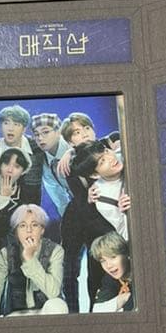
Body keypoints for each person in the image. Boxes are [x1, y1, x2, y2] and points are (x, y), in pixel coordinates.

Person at [57, 112, 120, 312]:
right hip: (80, 219)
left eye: (86, 128)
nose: (84, 134)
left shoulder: (105, 146)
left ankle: (101, 306)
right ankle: (77, 311)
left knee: (102, 267)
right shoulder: (71, 164)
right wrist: (70, 153)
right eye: (76, 133)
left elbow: (117, 136)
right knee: (76, 268)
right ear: (69, 141)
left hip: (102, 219)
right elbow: (83, 203)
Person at [0, 204, 68, 317]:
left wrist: (30, 259)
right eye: (22, 226)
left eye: (34, 225)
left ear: (42, 230)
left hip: (46, 313)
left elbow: (54, 293)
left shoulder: (55, 250)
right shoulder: (5, 253)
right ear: (16, 231)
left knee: (58, 305)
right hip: (16, 315)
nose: (29, 230)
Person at [70, 140, 131, 241]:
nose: (111, 158)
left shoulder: (124, 154)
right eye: (102, 161)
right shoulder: (103, 200)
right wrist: (124, 213)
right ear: (95, 175)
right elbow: (126, 236)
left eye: (106, 151)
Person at [0, 104, 42, 203]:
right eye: (6, 123)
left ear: (24, 129)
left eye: (16, 124)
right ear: (1, 127)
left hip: (32, 205)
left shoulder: (37, 147)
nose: (10, 128)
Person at [0, 147, 32, 260]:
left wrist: (4, 198)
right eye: (6, 164)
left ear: (23, 171)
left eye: (17, 167)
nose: (9, 170)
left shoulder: (21, 200)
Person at [30, 113, 72, 216]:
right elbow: (61, 201)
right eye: (36, 134)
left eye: (45, 132)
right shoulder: (45, 163)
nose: (40, 138)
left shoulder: (73, 145)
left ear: (58, 132)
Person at [90, 232, 134, 312]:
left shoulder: (140, 273)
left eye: (113, 257)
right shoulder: (109, 279)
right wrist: (121, 299)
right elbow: (97, 310)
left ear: (126, 254)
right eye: (103, 261)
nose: (108, 265)